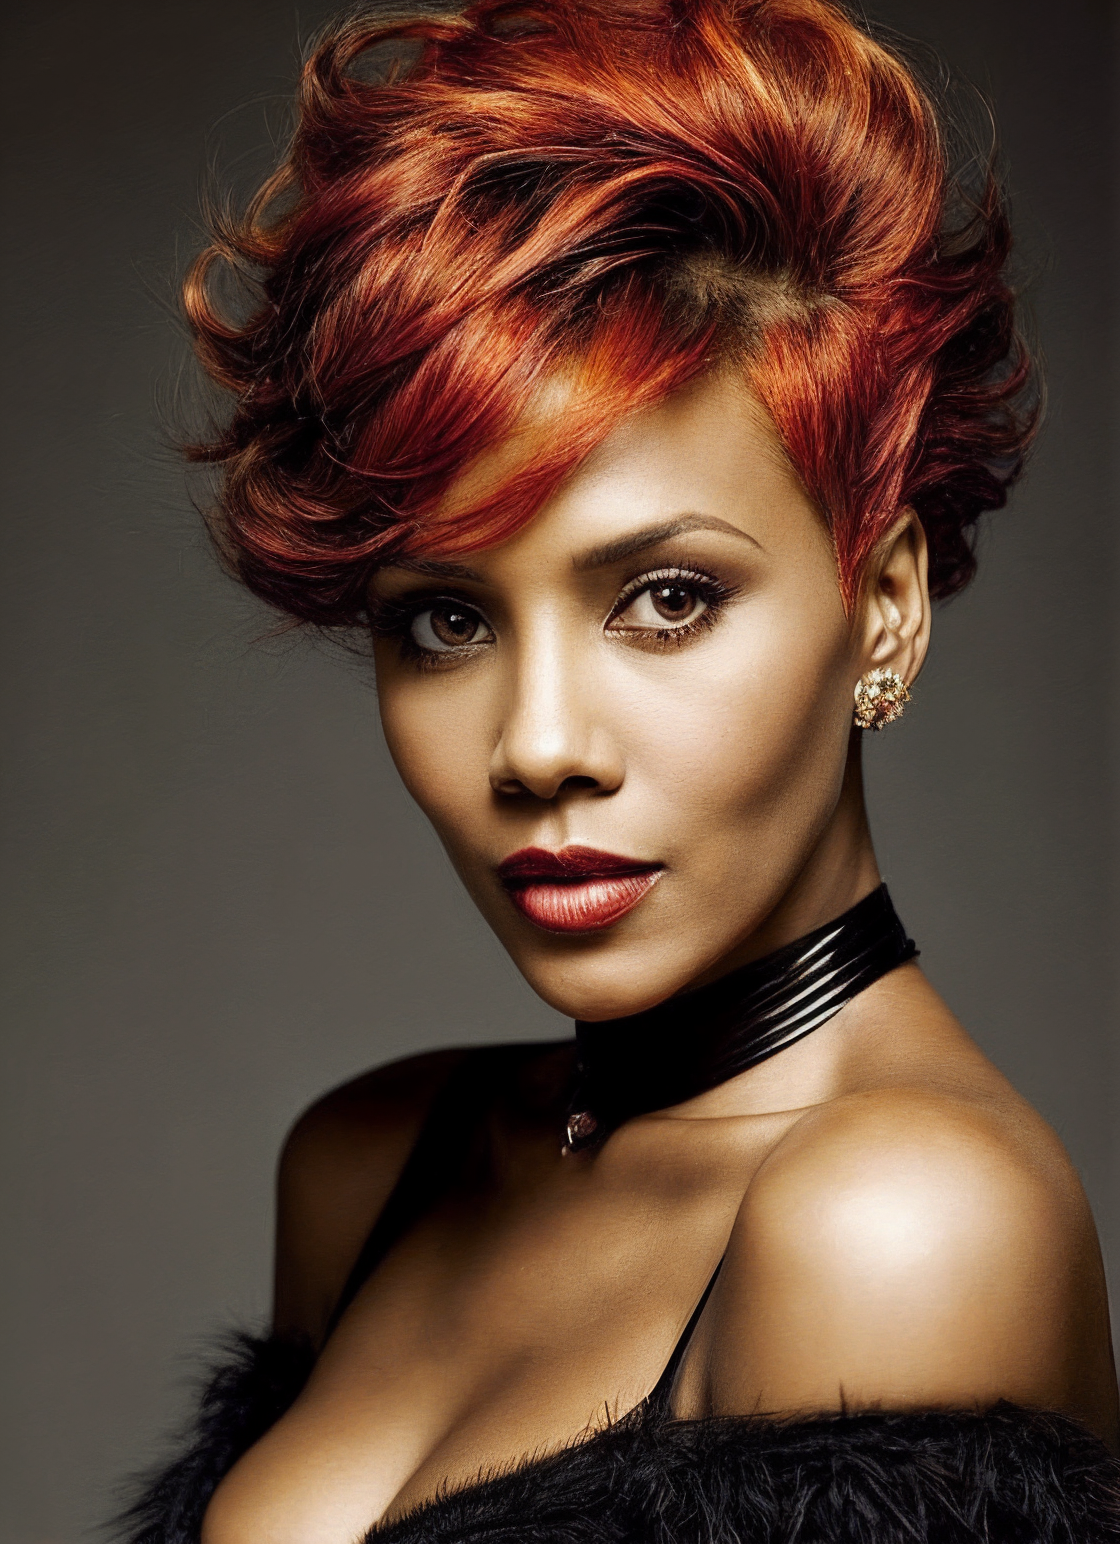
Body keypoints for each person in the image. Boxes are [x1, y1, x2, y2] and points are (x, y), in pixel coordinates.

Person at [121, 2, 1120, 1540]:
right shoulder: (370, 1166)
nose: (538, 746)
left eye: (666, 599)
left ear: (885, 607)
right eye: (447, 620)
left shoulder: (905, 1224)